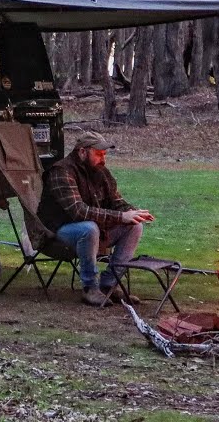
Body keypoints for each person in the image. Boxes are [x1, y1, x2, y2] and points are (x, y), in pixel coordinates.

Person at [38, 131, 154, 307]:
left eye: (104, 154)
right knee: (89, 228)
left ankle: (109, 284)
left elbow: (116, 201)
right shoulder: (61, 172)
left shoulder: (100, 172)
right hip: (58, 232)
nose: (103, 159)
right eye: (99, 154)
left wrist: (133, 213)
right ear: (82, 152)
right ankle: (90, 288)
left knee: (134, 226)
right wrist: (122, 217)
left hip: (94, 229)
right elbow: (79, 212)